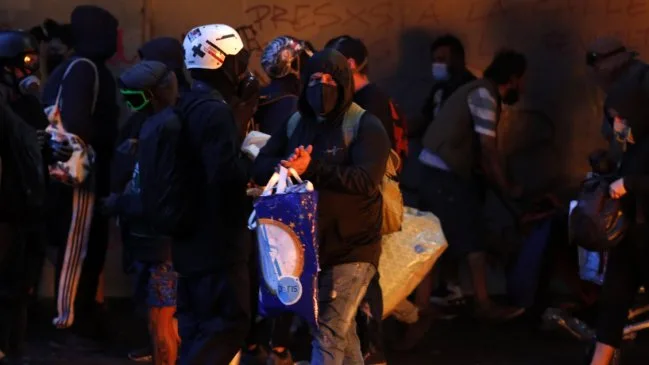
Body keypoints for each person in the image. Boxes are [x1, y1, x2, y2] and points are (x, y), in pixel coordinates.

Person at [253, 48, 390, 365]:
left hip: (354, 249)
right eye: (315, 79)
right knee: (343, 334)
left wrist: (313, 167)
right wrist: (287, 166)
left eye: (331, 79)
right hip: (311, 249)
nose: (322, 86)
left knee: (327, 332)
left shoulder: (365, 125)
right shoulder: (296, 122)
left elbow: (364, 181)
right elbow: (261, 165)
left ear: (344, 83)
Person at [418, 49, 527, 323]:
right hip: (444, 174)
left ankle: (422, 306)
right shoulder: (484, 95)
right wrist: (507, 187)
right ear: (513, 78)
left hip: (435, 171)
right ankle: (483, 304)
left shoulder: (477, 90)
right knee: (473, 239)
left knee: (431, 241)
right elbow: (489, 150)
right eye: (522, 80)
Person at [41, 4, 119, 347]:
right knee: (78, 249)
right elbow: (78, 125)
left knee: (85, 248)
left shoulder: (74, 66)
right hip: (79, 178)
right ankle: (68, 320)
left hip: (74, 173)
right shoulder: (85, 68)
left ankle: (78, 315)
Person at [109, 36, 188, 363]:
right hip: (153, 240)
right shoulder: (156, 124)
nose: (128, 101)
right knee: (161, 321)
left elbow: (159, 194)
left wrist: (121, 204)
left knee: (163, 322)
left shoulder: (167, 127)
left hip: (162, 243)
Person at [176, 24, 252, 365]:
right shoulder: (215, 111)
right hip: (217, 245)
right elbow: (224, 178)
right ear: (223, 60)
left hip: (188, 240)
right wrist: (252, 161)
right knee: (229, 323)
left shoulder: (185, 103)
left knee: (196, 328)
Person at [324, 35, 397, 365]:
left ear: (349, 65)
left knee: (367, 281)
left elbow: (369, 167)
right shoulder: (355, 100)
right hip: (351, 210)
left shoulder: (370, 103)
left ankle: (374, 351)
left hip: (364, 208)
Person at [0, 29, 72, 365]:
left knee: (22, 284)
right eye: (23, 63)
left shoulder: (27, 105)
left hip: (28, 208)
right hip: (7, 211)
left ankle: (14, 346)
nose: (29, 71)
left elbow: (40, 146)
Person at [244, 35, 314, 365]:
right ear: (296, 64)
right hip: (282, 197)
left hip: (251, 194)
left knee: (254, 272)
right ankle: (279, 347)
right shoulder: (292, 102)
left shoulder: (257, 96)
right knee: (284, 269)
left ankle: (253, 342)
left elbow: (251, 148)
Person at [585, 37, 649, 365]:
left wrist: (632, 183)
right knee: (614, 297)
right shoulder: (632, 133)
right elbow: (623, 149)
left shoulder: (638, 83)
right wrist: (609, 166)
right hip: (631, 229)